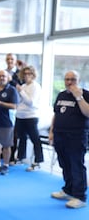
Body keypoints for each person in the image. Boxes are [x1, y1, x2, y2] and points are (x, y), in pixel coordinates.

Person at [49, 70, 89, 209]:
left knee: (76, 166)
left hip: (76, 137)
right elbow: (56, 114)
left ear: (78, 80)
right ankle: (68, 190)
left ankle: (80, 196)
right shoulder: (61, 94)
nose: (69, 82)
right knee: (65, 164)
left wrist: (79, 97)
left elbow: (87, 113)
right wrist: (51, 131)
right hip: (60, 135)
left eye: (73, 79)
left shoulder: (85, 94)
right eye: (67, 79)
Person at [15, 66, 44, 171]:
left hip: (31, 116)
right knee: (21, 138)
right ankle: (20, 157)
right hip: (20, 115)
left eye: (29, 74)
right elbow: (19, 101)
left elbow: (31, 102)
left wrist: (21, 92)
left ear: (33, 75)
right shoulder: (23, 86)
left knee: (35, 139)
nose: (27, 76)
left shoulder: (35, 86)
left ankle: (38, 161)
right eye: (25, 73)